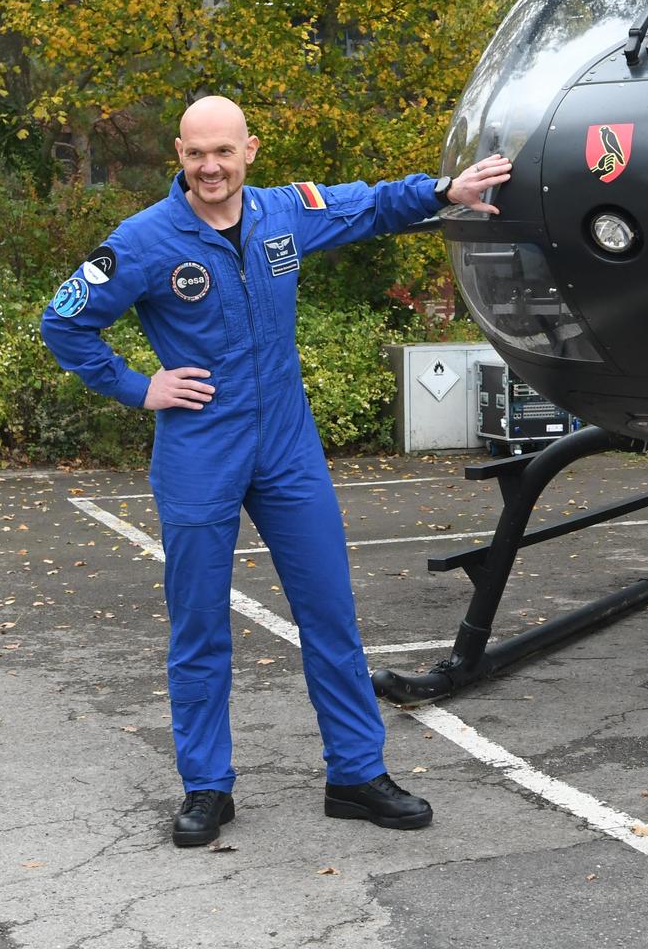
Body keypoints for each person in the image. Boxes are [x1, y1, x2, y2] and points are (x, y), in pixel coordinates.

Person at [41, 94, 510, 847]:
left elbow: (369, 206)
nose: (210, 167)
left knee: (330, 612)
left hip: (287, 448)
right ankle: (206, 786)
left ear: (250, 151)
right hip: (201, 450)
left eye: (223, 151)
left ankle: (355, 774)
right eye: (196, 153)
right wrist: (139, 386)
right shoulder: (144, 239)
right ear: (179, 153)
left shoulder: (285, 213)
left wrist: (442, 191)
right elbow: (64, 320)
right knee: (199, 624)